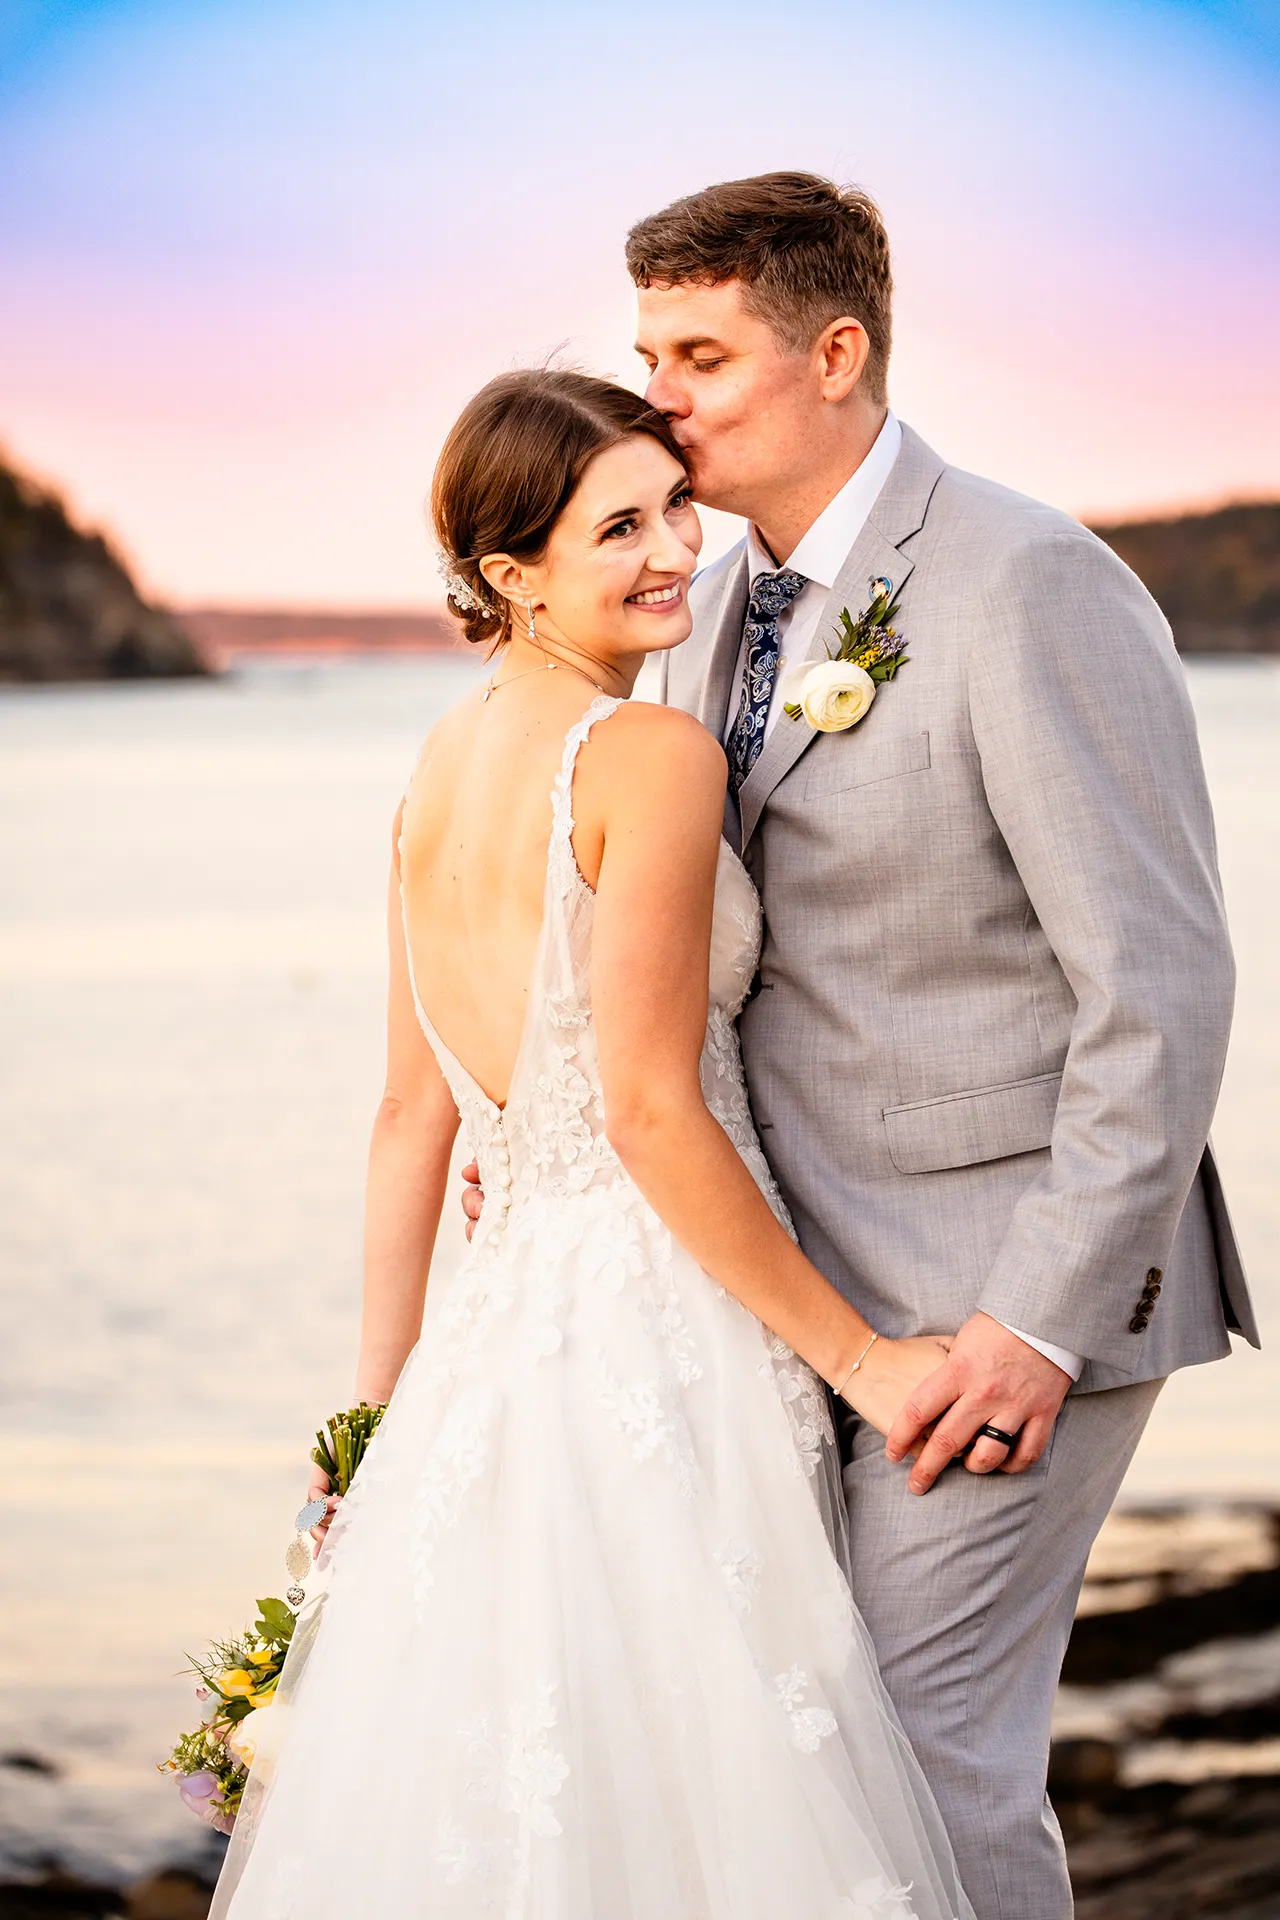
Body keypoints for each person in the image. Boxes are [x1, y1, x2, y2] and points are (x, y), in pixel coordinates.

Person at [208, 368, 975, 1920]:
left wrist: (374, 1413)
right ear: (511, 573)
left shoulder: (433, 771)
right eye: (619, 525)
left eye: (675, 505)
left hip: (490, 1353)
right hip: (663, 1323)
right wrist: (864, 1362)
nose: (676, 548)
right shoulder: (647, 759)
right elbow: (642, 1110)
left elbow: (413, 1113)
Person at [622, 172, 1254, 1917]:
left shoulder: (1028, 579)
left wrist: (1041, 1321)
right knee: (803, 1759)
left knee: (913, 1754)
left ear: (837, 352)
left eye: (701, 355)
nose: (659, 397)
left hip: (1004, 1298)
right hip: (804, 1310)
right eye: (646, 354)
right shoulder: (705, 606)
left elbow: (1162, 985)